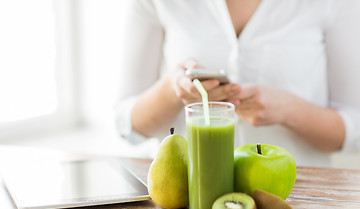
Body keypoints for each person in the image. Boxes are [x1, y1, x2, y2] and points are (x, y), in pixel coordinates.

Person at [115, 0, 360, 167]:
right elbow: (127, 124)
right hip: (187, 201)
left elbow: (353, 129)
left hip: (300, 204)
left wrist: (288, 110)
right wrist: (173, 90)